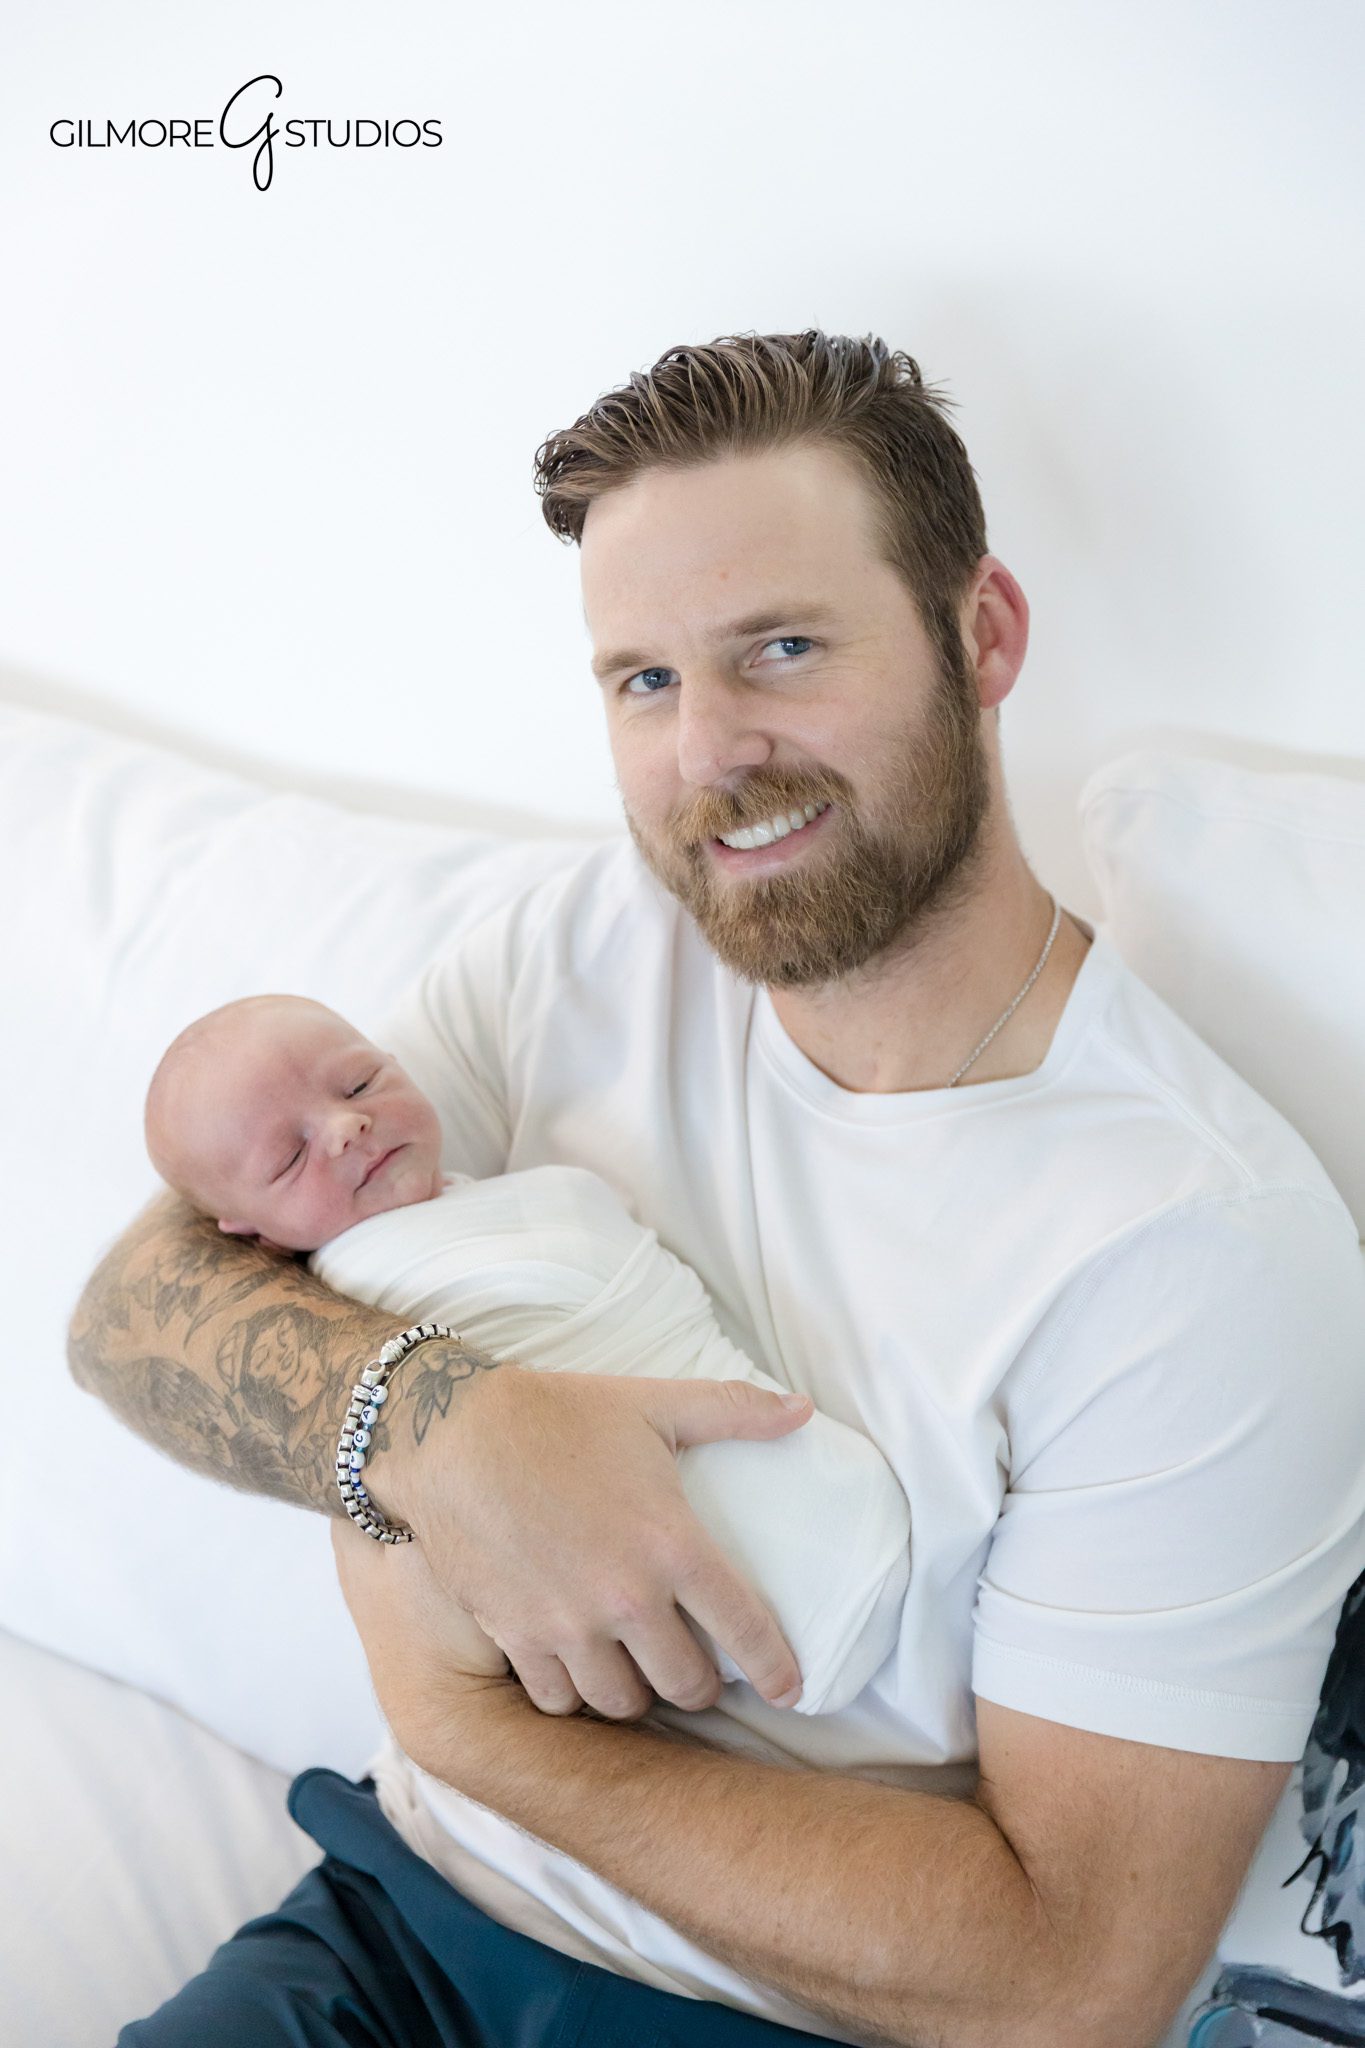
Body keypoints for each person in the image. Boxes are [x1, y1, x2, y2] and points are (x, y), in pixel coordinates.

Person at [69, 330, 1365, 2048]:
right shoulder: (593, 945)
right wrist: (431, 1424)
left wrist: (473, 1723)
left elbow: (1074, 1978)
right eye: (643, 681)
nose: (711, 753)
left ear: (983, 634)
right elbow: (139, 1305)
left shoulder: (1194, 1244)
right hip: (391, 1928)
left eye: (782, 648)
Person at [142, 990, 910, 1715]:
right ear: (252, 1237)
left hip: (833, 1485)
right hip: (710, 1573)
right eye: (288, 1158)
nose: (346, 1128)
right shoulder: (355, 1300)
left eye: (361, 1081)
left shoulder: (488, 1190)